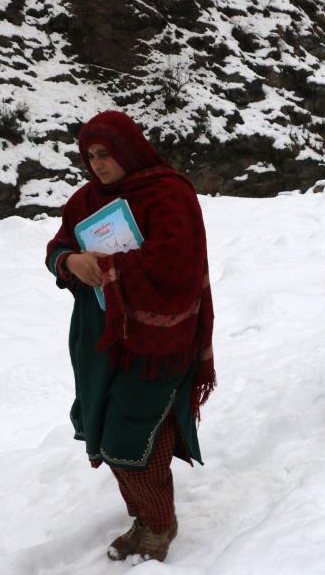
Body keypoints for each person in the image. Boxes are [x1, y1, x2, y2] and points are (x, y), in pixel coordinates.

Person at [45, 111, 215, 564]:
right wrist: (68, 263)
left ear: (130, 148)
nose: (97, 164)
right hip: (100, 340)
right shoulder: (86, 200)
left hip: (158, 342)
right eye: (90, 156)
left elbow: (177, 266)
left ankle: (161, 523)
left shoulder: (168, 194)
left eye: (105, 154)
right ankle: (143, 518)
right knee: (105, 433)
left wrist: (108, 269)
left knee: (135, 438)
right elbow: (58, 246)